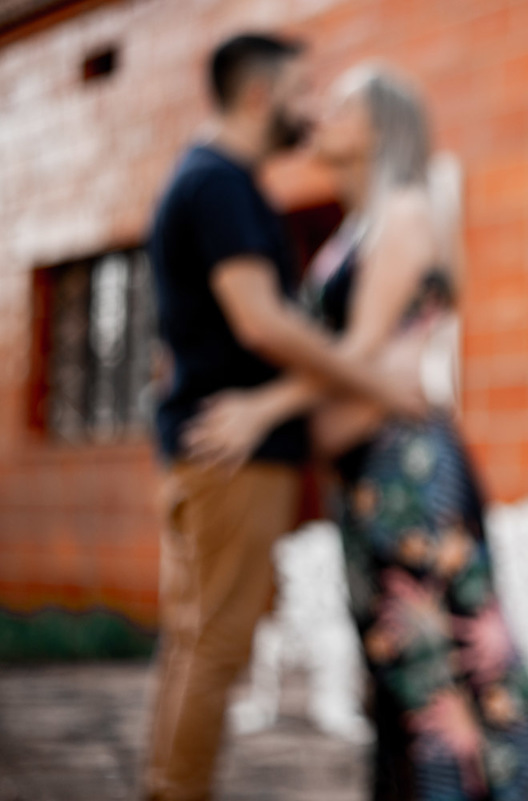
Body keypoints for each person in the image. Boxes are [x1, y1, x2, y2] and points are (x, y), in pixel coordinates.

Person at [184, 66, 528, 801]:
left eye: (344, 106)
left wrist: (261, 409)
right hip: (366, 472)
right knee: (400, 667)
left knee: (444, 663)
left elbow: (360, 352)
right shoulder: (356, 227)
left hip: (409, 471)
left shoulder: (404, 210)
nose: (324, 116)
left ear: (382, 126)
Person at [144, 34, 423, 801]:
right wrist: (372, 377)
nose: (312, 109)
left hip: (214, 445)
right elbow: (262, 320)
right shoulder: (220, 183)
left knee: (198, 640)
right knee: (216, 645)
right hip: (232, 449)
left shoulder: (210, 179)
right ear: (259, 95)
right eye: (302, 91)